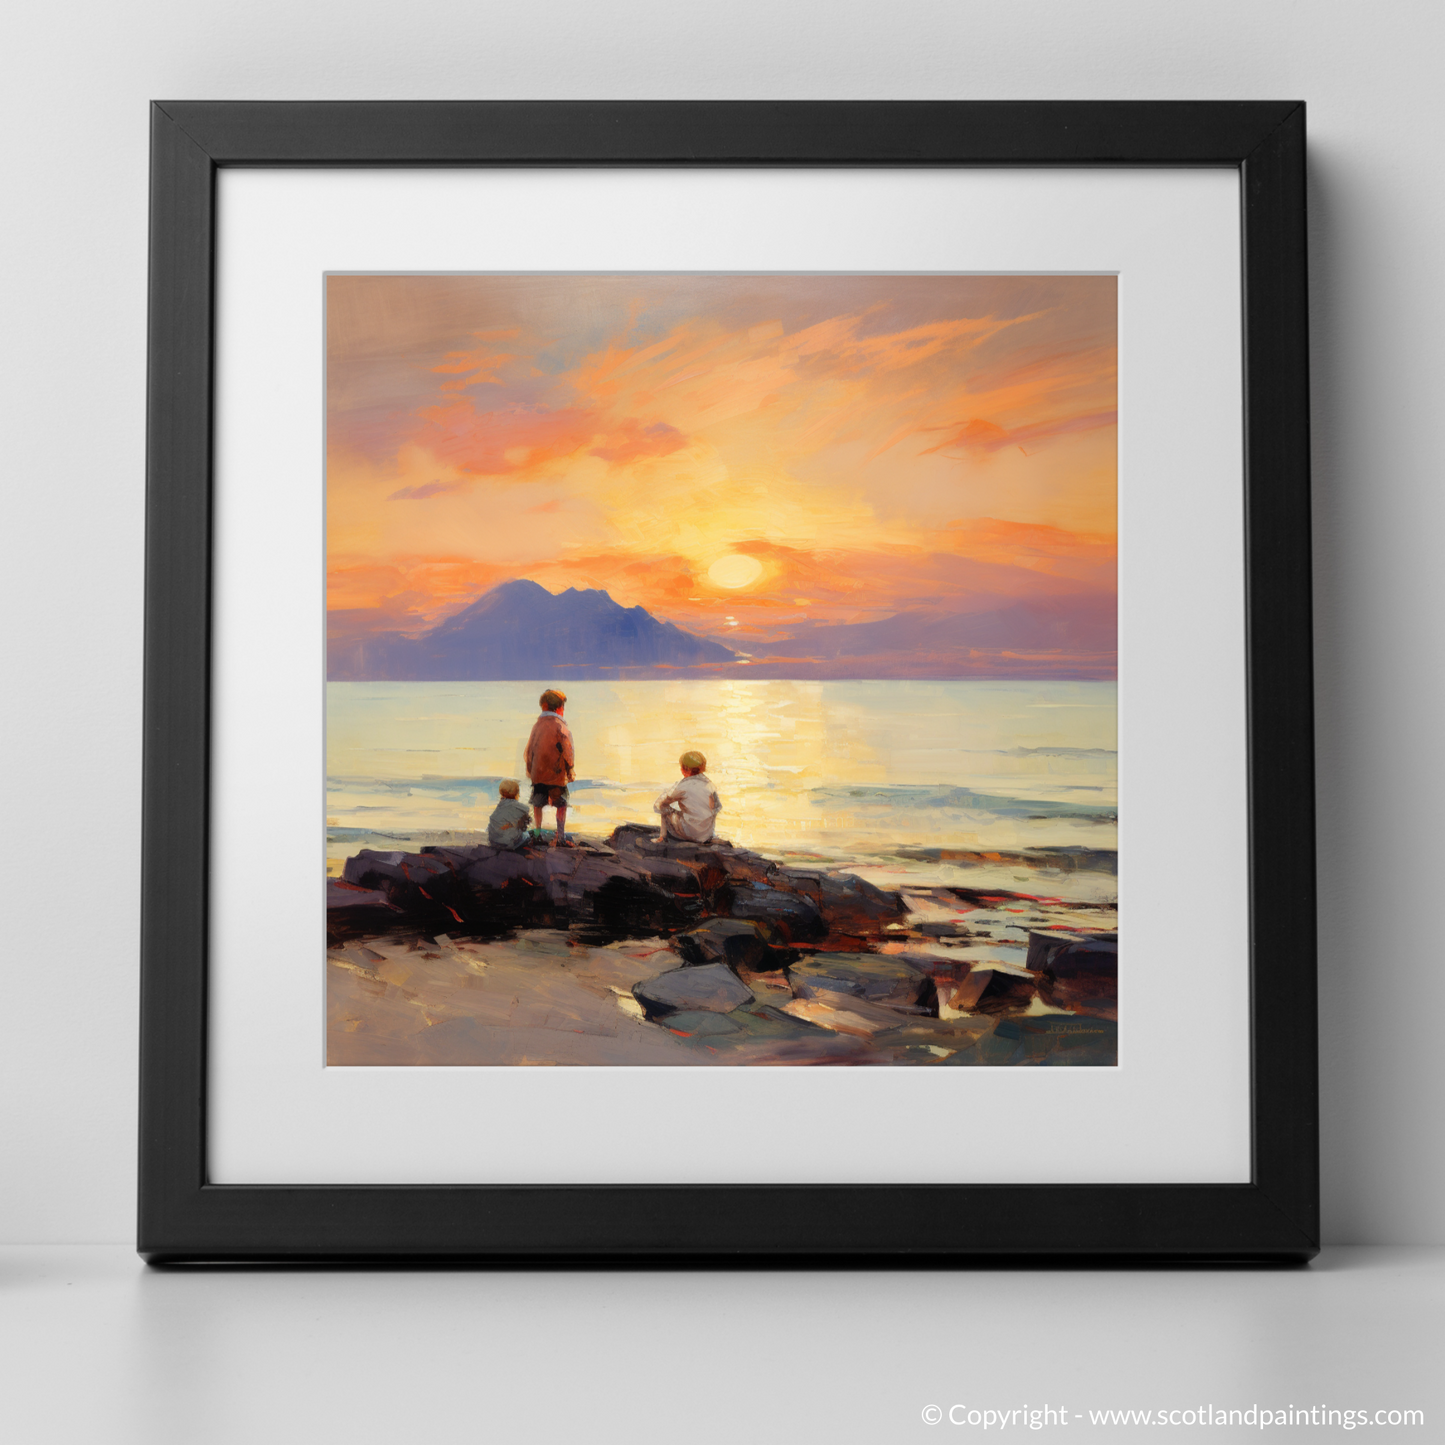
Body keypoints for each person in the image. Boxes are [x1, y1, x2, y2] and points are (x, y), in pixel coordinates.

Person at [523, 688, 575, 847]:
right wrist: (570, 769)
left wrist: (530, 768)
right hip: (556, 775)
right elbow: (568, 751)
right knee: (561, 805)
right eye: (563, 707)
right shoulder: (561, 726)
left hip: (538, 774)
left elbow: (529, 750)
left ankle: (537, 834)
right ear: (559, 708)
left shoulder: (537, 726)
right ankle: (560, 837)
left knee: (538, 804)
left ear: (544, 706)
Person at [654, 750, 722, 843]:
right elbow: (718, 807)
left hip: (688, 833)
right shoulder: (709, 784)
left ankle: (662, 838)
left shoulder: (683, 785)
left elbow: (660, 806)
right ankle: (709, 836)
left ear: (684, 769)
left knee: (666, 809)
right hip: (706, 835)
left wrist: (668, 798)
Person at [486, 779, 531, 851]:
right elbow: (526, 816)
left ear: (502, 793)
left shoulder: (500, 806)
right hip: (509, 844)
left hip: (494, 842)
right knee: (526, 835)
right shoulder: (522, 808)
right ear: (517, 794)